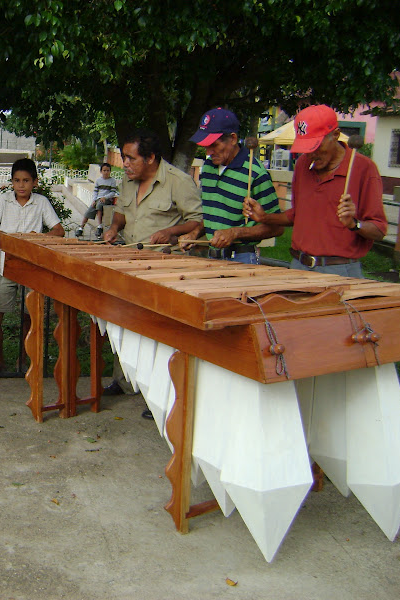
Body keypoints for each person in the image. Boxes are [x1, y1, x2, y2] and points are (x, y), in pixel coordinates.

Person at [102, 129, 202, 414]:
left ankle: (157, 395)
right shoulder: (128, 180)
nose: (125, 163)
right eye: (123, 158)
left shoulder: (178, 182)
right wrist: (113, 227)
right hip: (129, 263)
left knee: (157, 331)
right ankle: (123, 381)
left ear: (150, 158)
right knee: (123, 321)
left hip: (162, 267)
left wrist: (171, 231)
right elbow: (122, 212)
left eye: (131, 158)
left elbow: (197, 221)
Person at [243, 104, 386, 277]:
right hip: (299, 265)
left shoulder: (364, 169)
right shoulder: (303, 164)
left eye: (316, 146)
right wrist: (265, 217)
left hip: (339, 270)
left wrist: (354, 224)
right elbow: (298, 214)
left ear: (335, 135)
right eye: (306, 148)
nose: (311, 154)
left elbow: (379, 230)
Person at [0, 158, 64, 373]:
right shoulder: (3, 201)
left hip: (32, 268)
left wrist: (39, 238)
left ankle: (22, 362)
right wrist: (10, 238)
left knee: (29, 318)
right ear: (12, 182)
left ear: (35, 182)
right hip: (7, 266)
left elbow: (59, 230)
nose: (21, 185)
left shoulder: (41, 202)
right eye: (17, 180)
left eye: (26, 180)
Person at [183, 108, 283, 263]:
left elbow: (277, 227)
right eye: (205, 146)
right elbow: (214, 214)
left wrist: (235, 233)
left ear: (233, 139)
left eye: (214, 145)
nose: (208, 152)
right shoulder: (208, 167)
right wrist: (195, 233)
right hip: (212, 257)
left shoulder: (256, 173)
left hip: (241, 258)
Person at [75, 163, 119, 238]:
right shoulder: (98, 180)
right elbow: (95, 191)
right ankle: (81, 228)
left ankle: (99, 226)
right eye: (104, 170)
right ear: (101, 171)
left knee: (99, 205)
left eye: (108, 170)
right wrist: (94, 200)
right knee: (89, 210)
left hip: (107, 199)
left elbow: (112, 192)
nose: (106, 172)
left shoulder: (112, 181)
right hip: (98, 199)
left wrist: (105, 197)